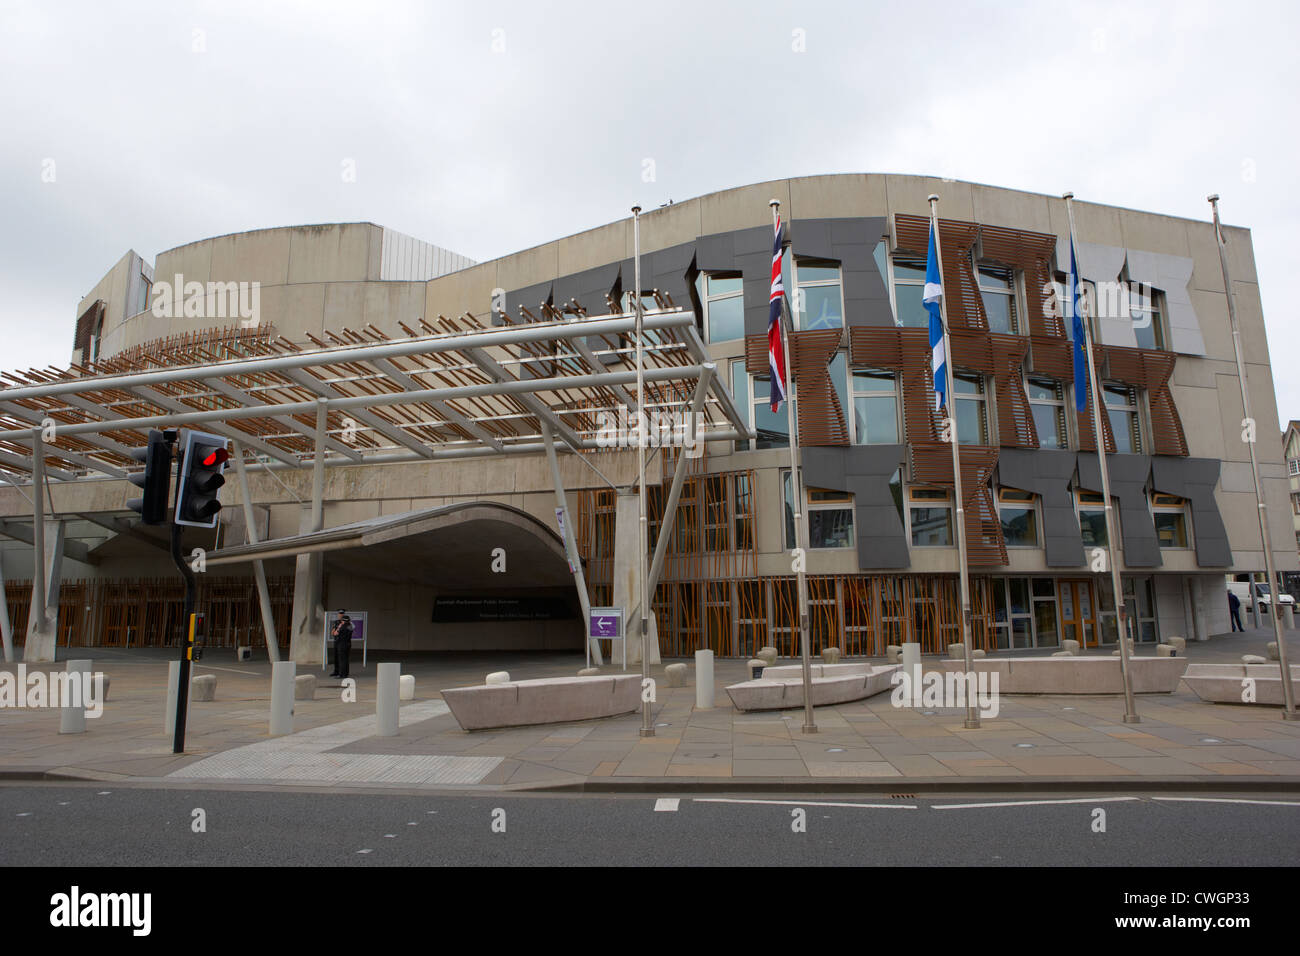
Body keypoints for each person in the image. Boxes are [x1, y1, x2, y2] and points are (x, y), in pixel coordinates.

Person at [330, 610, 354, 679]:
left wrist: (339, 627)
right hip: (348, 644)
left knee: (342, 660)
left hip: (341, 644)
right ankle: (346, 673)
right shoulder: (350, 626)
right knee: (346, 659)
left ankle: (341, 674)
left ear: (343, 621)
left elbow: (335, 633)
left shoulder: (342, 627)